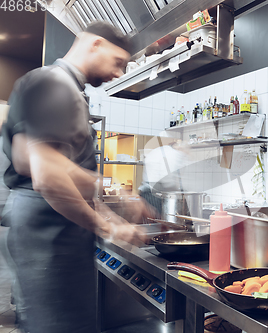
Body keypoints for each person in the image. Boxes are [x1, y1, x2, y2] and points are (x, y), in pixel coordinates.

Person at [2, 21, 153, 333]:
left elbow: (45, 164)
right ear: (95, 44)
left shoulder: (55, 85)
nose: (120, 74)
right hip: (50, 238)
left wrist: (115, 198)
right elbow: (47, 176)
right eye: (119, 62)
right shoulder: (56, 85)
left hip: (52, 235)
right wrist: (108, 226)